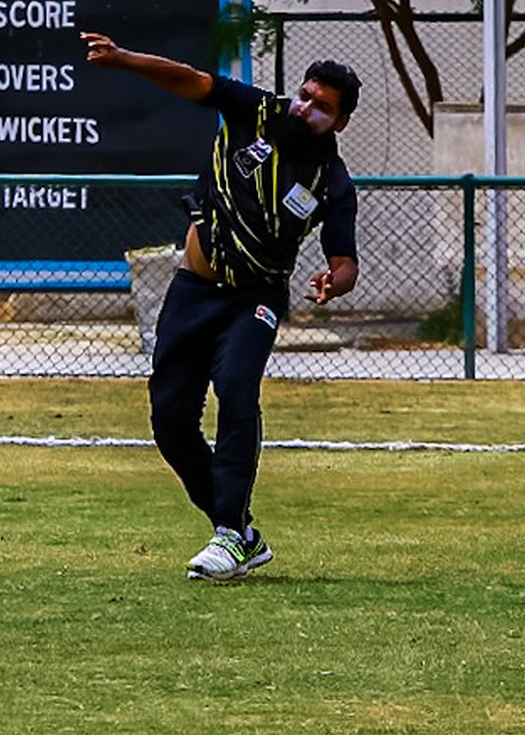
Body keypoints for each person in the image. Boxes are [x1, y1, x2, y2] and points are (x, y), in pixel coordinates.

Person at [81, 31, 362, 582]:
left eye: (322, 107)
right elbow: (192, 80)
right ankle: (239, 533)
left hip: (254, 299)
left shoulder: (332, 181)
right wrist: (124, 59)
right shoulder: (254, 111)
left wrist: (338, 281)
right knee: (170, 420)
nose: (305, 109)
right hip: (192, 292)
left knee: (236, 388)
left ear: (341, 121)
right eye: (305, 95)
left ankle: (229, 532)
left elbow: (345, 258)